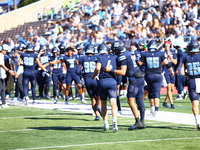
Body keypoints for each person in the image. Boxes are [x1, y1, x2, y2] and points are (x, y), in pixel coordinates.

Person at [104, 41, 146, 130]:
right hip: (140, 77)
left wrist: (110, 70)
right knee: (139, 100)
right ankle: (142, 121)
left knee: (130, 101)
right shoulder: (127, 53)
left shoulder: (122, 56)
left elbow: (122, 72)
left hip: (134, 79)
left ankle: (138, 122)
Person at [138, 40, 174, 117]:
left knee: (150, 92)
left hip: (148, 75)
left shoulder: (145, 54)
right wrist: (171, 71)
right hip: (158, 75)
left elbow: (139, 64)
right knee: (156, 92)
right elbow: (167, 63)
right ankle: (156, 110)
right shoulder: (160, 53)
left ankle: (152, 108)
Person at [91, 43, 118, 132]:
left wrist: (93, 76)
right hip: (112, 81)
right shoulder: (114, 57)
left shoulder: (99, 57)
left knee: (103, 103)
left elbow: (98, 68)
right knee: (113, 103)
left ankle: (105, 122)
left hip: (102, 82)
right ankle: (114, 119)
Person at [181, 40, 200, 130]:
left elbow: (182, 72)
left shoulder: (186, 57)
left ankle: (198, 122)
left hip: (191, 81)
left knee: (194, 104)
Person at [79, 44, 101, 121]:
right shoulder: (96, 57)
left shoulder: (82, 58)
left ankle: (97, 115)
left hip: (87, 79)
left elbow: (78, 69)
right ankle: (100, 108)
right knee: (99, 97)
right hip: (95, 78)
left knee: (92, 98)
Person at [162, 41, 177, 109]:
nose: (166, 47)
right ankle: (172, 103)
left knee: (171, 88)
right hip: (165, 70)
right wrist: (166, 61)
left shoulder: (173, 52)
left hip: (172, 71)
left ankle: (165, 102)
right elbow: (161, 63)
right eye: (165, 46)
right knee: (168, 87)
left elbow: (175, 62)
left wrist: (170, 58)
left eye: (168, 45)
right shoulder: (162, 53)